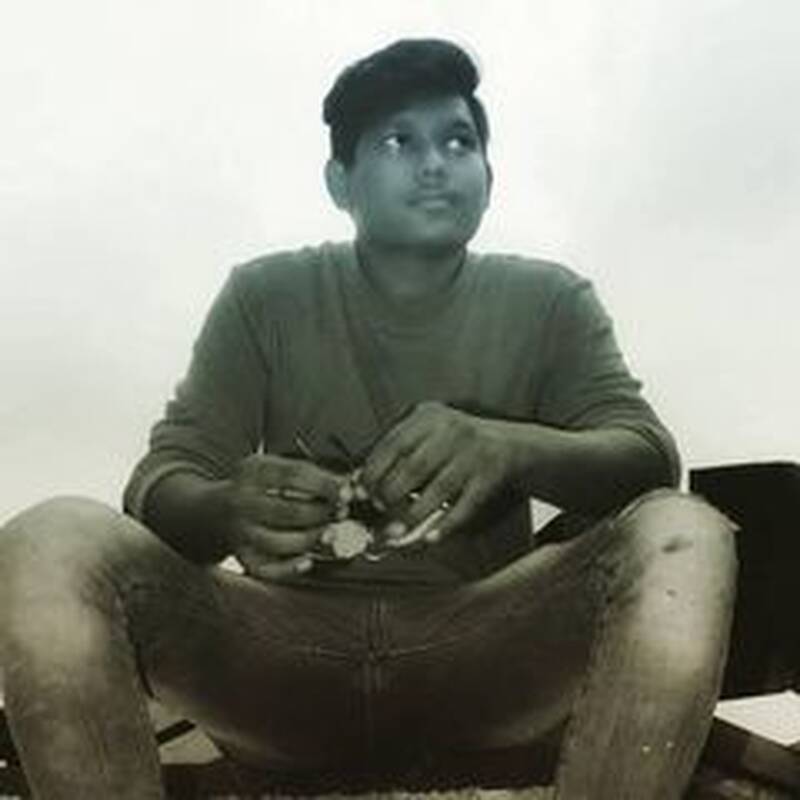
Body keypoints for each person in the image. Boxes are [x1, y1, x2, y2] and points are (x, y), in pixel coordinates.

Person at [0, 38, 737, 799]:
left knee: (685, 531)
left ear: (490, 178)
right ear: (340, 182)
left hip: (480, 654)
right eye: (397, 142)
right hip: (277, 660)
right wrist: (226, 508)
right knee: (49, 538)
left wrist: (511, 449)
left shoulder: (552, 300)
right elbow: (160, 483)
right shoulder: (264, 297)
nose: (435, 163)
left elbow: (649, 458)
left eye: (460, 141)